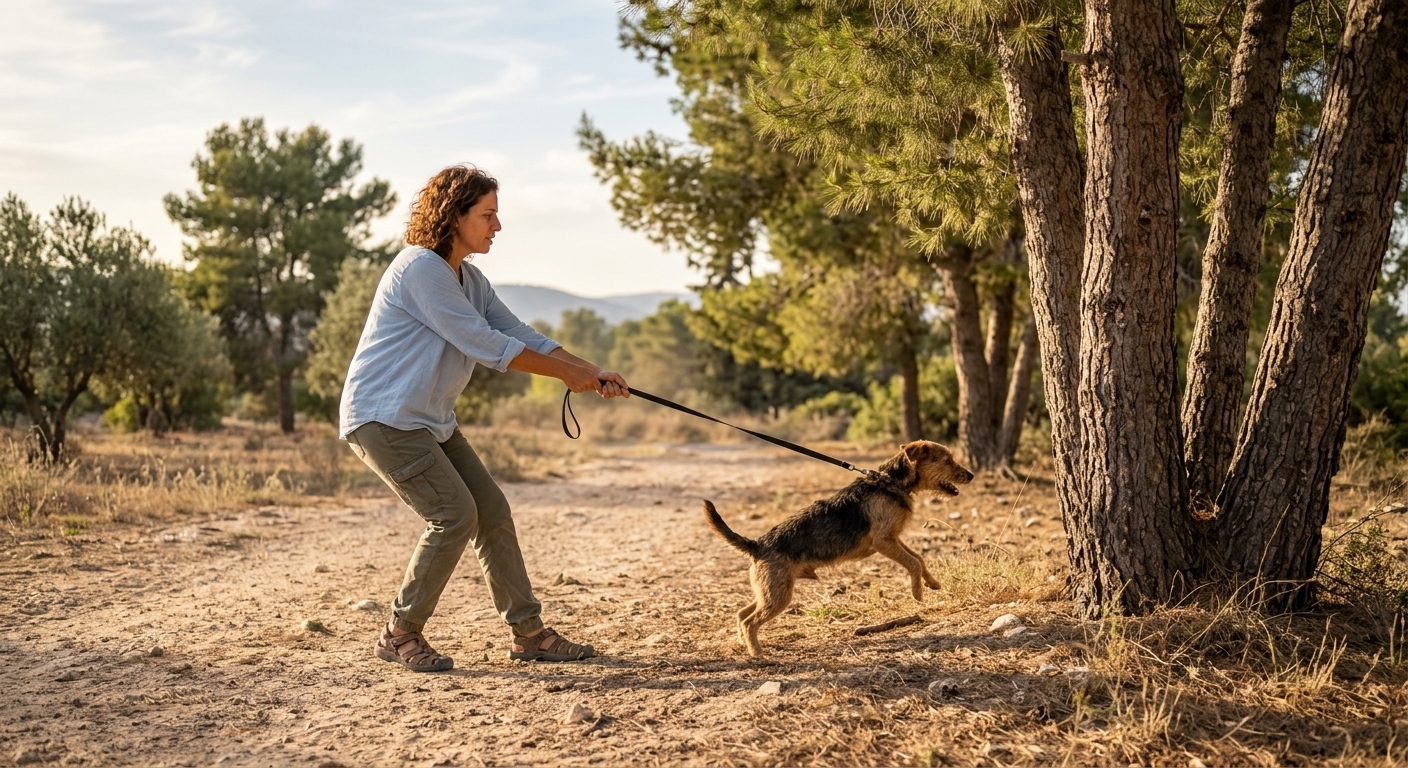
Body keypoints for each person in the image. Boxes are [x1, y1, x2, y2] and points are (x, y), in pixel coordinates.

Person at [339, 164, 628, 672]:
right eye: (488, 215)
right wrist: (565, 376)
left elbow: (522, 333)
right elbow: (487, 344)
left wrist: (590, 370)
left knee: (491, 511)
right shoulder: (420, 269)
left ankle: (529, 634)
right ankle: (399, 632)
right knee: (453, 515)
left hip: (428, 421)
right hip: (383, 419)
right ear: (454, 216)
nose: (497, 226)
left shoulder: (469, 278)